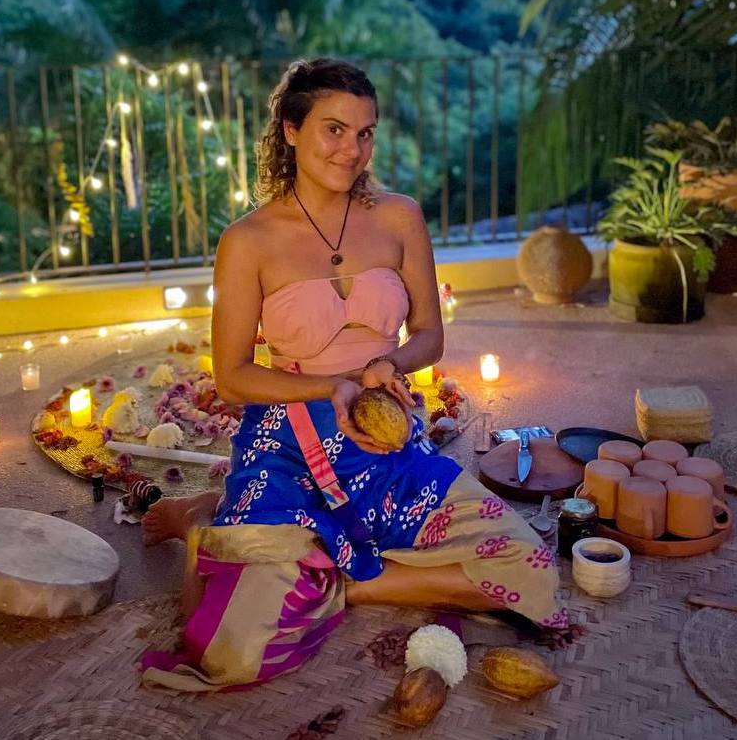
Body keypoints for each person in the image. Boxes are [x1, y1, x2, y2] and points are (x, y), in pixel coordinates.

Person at [140, 58, 568, 692]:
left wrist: (387, 364)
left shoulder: (399, 217)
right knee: (232, 648)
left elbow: (430, 335)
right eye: (334, 130)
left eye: (365, 133)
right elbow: (231, 378)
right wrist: (330, 387)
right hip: (287, 441)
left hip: (384, 438)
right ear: (291, 130)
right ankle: (205, 522)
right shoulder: (248, 241)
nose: (352, 150)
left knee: (531, 568)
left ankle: (334, 580)